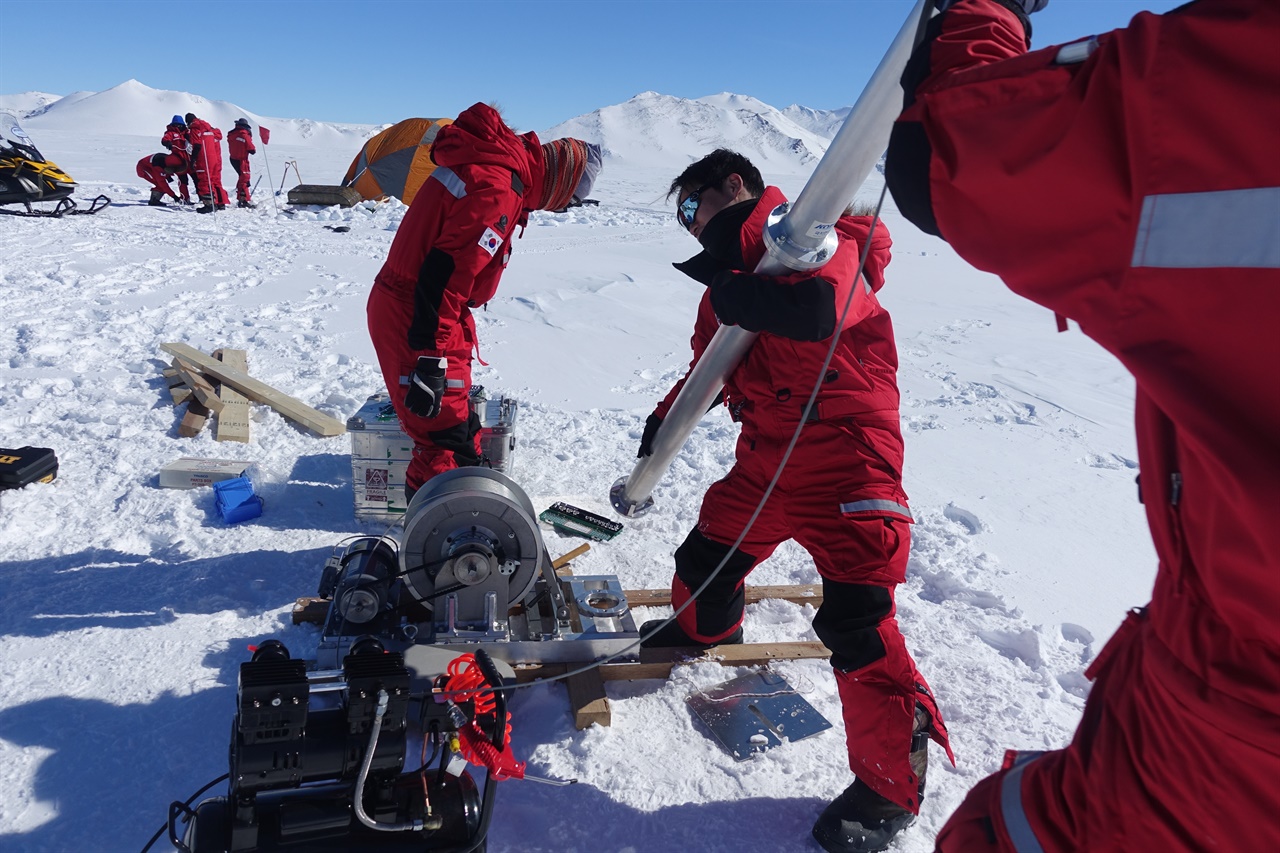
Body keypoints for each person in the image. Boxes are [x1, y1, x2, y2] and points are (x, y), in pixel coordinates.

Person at [884, 0, 1280, 849]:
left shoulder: (1224, 83)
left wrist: (985, 10)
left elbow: (950, 154)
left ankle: (882, 782)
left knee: (1011, 829)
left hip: (1234, 729)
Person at [639, 149, 952, 853]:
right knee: (705, 554)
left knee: (857, 623)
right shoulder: (724, 283)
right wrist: (662, 423)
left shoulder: (812, 231)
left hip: (848, 459)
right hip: (768, 463)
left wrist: (731, 293)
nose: (690, 226)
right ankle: (706, 630)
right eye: (681, 219)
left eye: (694, 207)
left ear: (734, 185)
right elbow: (706, 372)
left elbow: (818, 308)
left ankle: (887, 790)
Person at [366, 102, 600, 499]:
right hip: (419, 315)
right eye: (570, 200)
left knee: (455, 427)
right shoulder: (497, 188)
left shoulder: (499, 173)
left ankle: (447, 520)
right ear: (561, 182)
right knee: (441, 438)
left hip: (431, 314)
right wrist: (431, 359)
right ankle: (434, 539)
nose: (563, 208)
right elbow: (442, 276)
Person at [184, 112, 229, 213]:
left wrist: (193, 159)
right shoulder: (208, 128)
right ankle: (219, 203)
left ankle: (209, 205)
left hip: (203, 158)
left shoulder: (195, 129)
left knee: (204, 181)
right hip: (214, 158)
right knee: (213, 180)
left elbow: (197, 145)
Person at [160, 115, 193, 203]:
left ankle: (203, 199)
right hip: (178, 159)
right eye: (176, 125)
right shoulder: (170, 133)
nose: (178, 126)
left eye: (179, 125)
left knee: (197, 178)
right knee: (183, 179)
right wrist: (167, 143)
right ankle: (185, 198)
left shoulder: (187, 133)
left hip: (189, 159)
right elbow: (164, 139)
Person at [226, 117, 257, 208]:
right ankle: (243, 200)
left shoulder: (231, 134)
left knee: (242, 178)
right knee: (244, 179)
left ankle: (243, 198)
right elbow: (252, 149)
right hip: (242, 160)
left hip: (233, 159)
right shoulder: (244, 135)